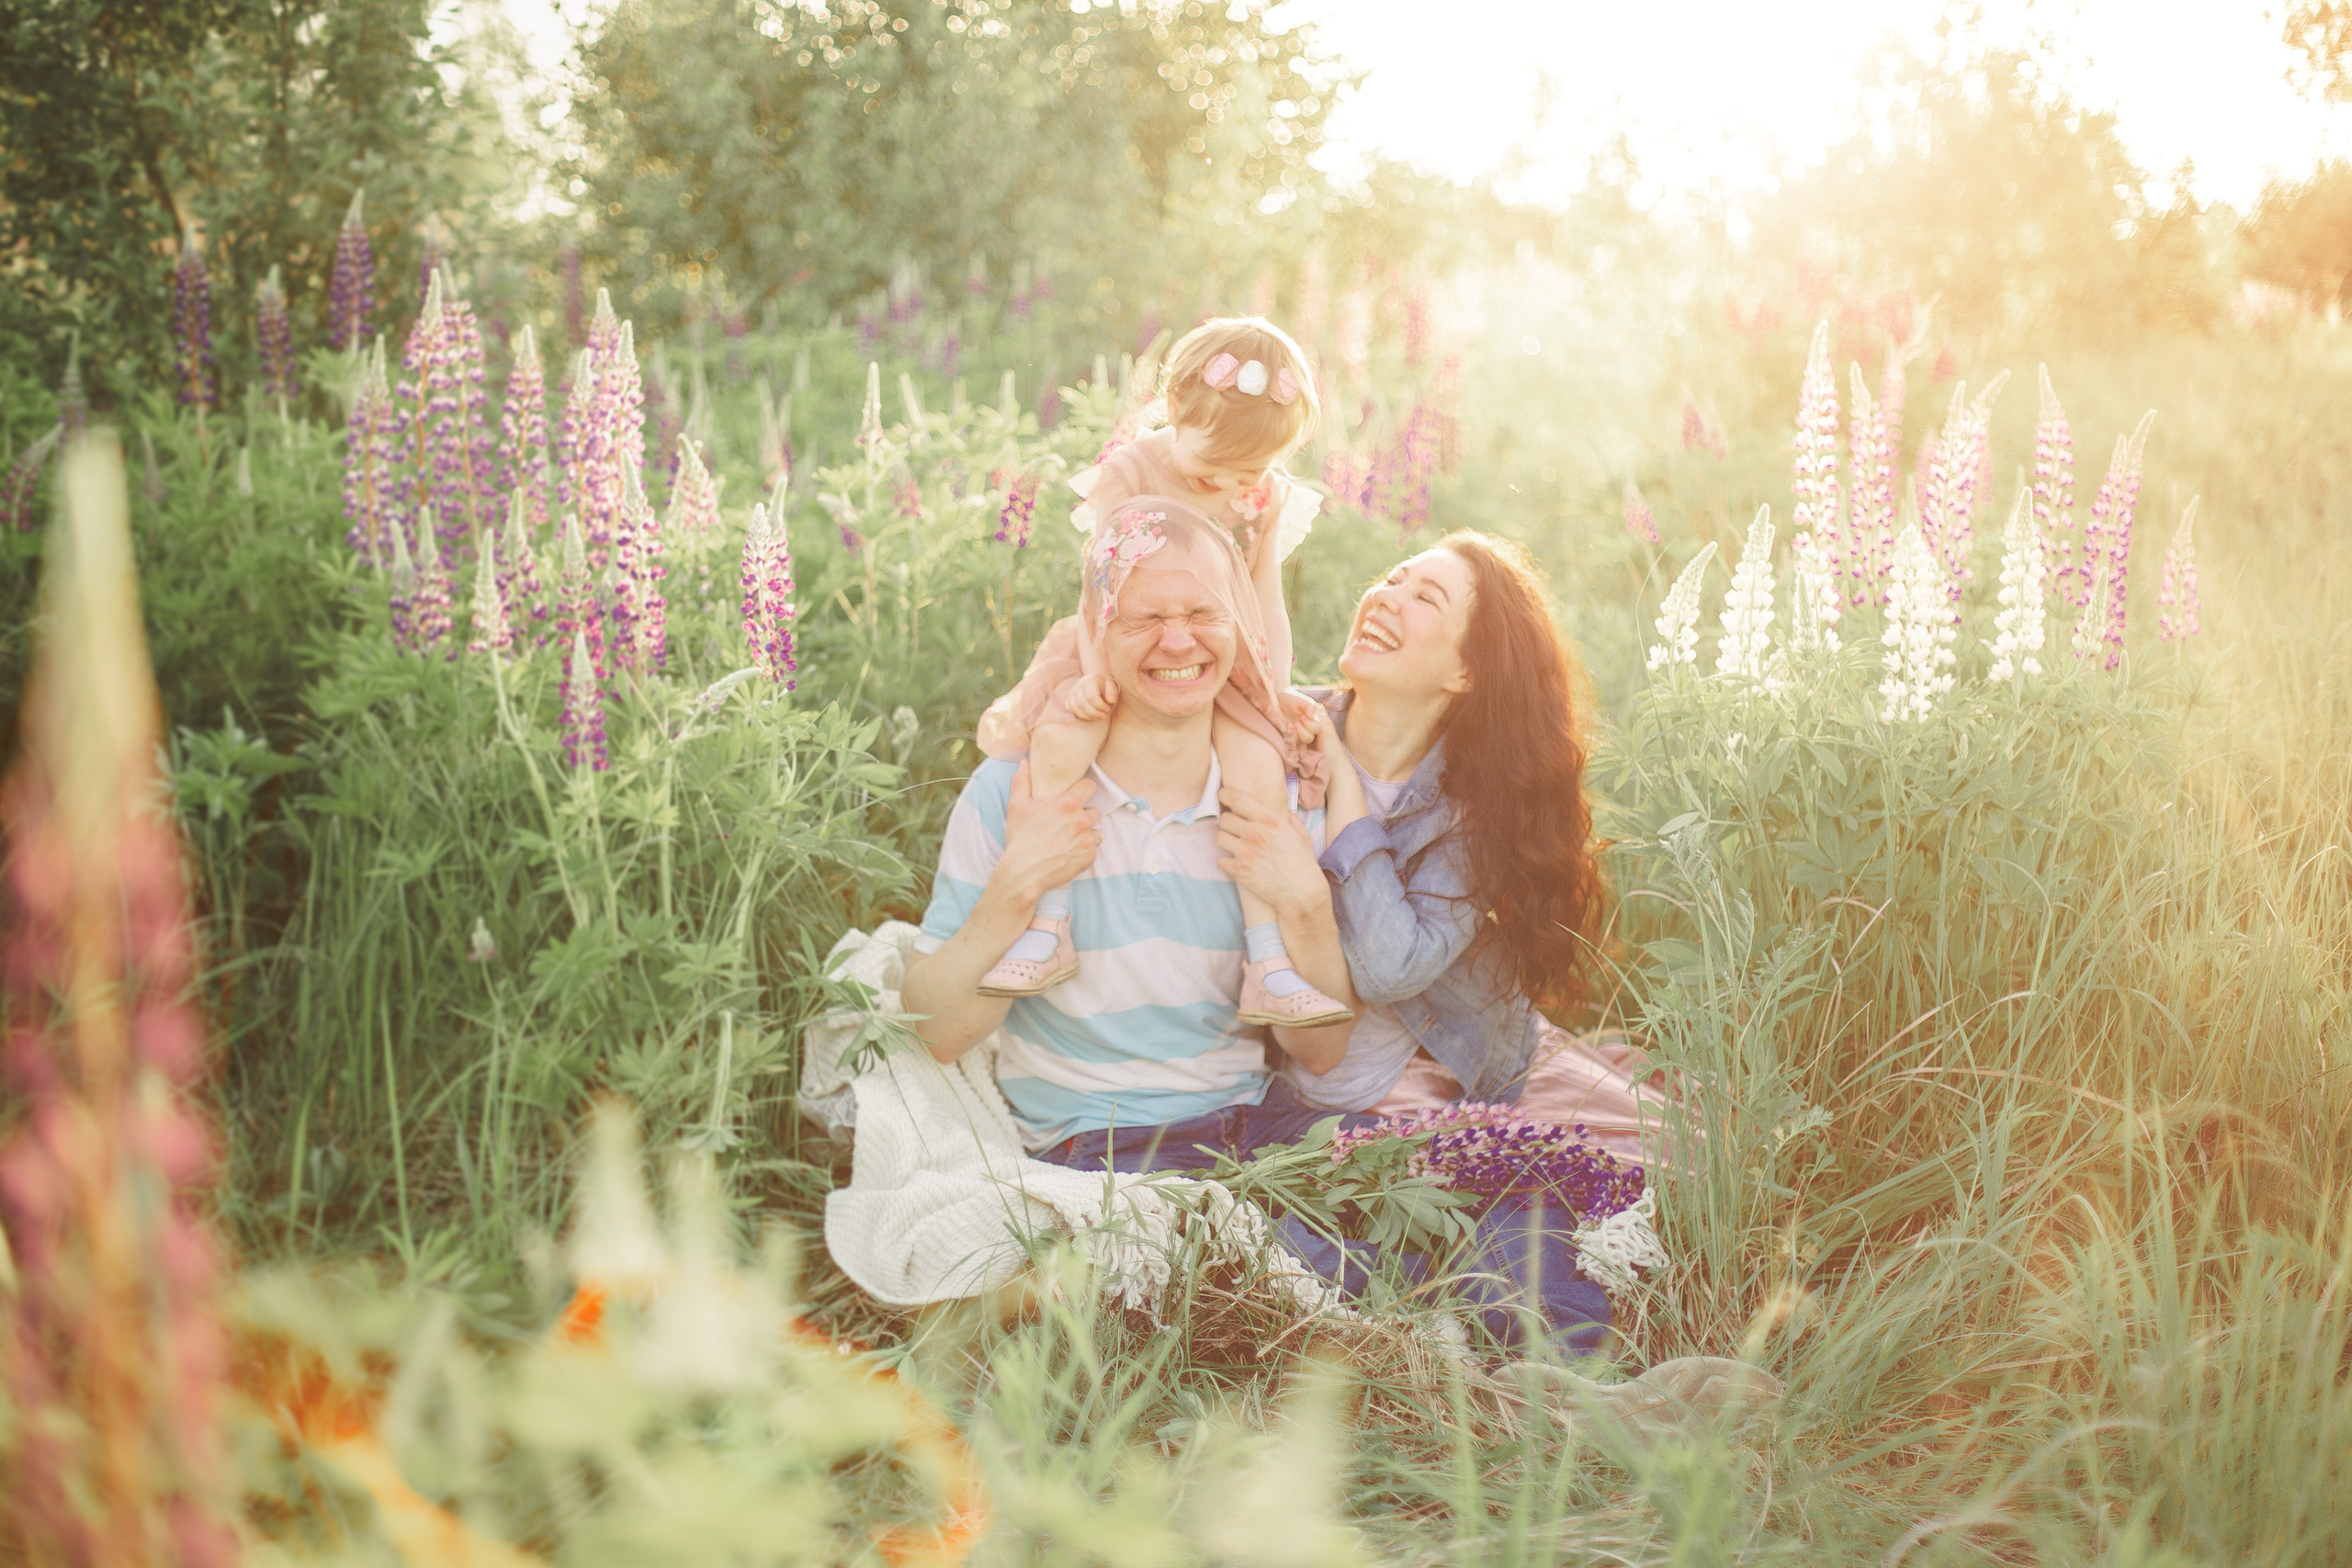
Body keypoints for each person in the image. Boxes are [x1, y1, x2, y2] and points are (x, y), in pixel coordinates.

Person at [902, 499, 1612, 1356]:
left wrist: (1303, 894)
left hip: (1256, 1116)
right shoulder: (1015, 794)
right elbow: (937, 1031)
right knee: (1300, 1266)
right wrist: (1021, 881)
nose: (1177, 641)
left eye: (1202, 613)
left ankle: (1578, 1382)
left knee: (1488, 1188)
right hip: (1106, 1140)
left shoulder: (1273, 794)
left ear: (1237, 627)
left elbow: (1317, 1050)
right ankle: (1443, 1362)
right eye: (1145, 617)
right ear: (1097, 628)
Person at [969, 317, 1349, 1031]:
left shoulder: (1259, 492)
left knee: (1261, 774)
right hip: (1115, 641)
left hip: (1221, 655)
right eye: (1220, 468)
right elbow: (1100, 583)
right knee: (1059, 747)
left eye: (1255, 471)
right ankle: (1047, 926)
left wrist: (1274, 688)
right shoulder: (1134, 472)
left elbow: (1264, 594)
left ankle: (1268, 964)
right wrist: (1088, 674)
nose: (1236, 485)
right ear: (1176, 413)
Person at [1267, 532, 1675, 1170]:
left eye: (1424, 596)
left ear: (1465, 671)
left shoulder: (1475, 806)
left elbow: (1388, 967)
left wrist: (1343, 785)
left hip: (1453, 1070)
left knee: (1677, 1165)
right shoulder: (1283, 731)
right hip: (1306, 1089)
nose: (1385, 597)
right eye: (1392, 577)